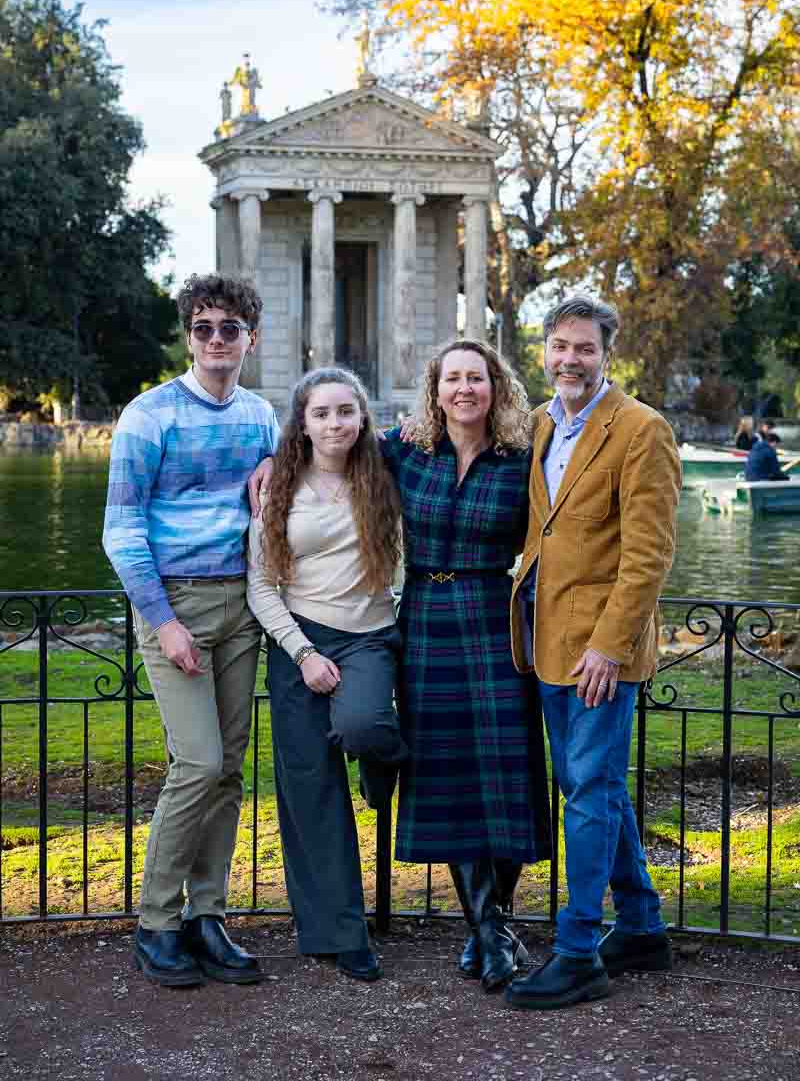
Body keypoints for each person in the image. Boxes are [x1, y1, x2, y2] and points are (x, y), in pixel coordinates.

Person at [504, 294, 681, 1012]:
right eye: (558, 345)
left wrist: (611, 646)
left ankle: (578, 950)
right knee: (596, 786)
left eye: (583, 347)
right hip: (546, 642)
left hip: (600, 654)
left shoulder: (642, 429)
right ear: (543, 351)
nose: (569, 359)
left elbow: (649, 554)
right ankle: (640, 926)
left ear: (607, 354)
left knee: (586, 790)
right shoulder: (543, 424)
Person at [103, 273, 280, 987]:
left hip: (241, 602)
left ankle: (208, 916)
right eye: (203, 328)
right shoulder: (150, 415)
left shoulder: (262, 417)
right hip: (173, 603)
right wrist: (163, 621)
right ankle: (155, 922)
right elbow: (121, 531)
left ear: (249, 339)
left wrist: (274, 470)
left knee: (230, 770)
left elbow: (277, 502)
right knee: (198, 763)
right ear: (188, 336)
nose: (216, 340)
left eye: (229, 329)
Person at [384, 341, 552, 993]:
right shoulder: (403, 450)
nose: (464, 389)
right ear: (435, 388)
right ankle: (490, 931)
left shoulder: (521, 459)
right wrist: (269, 468)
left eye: (475, 378)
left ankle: (490, 926)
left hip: (495, 617)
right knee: (449, 773)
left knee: (503, 773)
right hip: (425, 618)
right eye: (452, 378)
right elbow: (326, 449)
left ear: (494, 386)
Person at [247, 367, 407, 983]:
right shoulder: (280, 487)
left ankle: (384, 762)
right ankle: (337, 931)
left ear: (362, 417)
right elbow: (260, 584)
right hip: (300, 642)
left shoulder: (384, 475)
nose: (335, 423)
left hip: (367, 635)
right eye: (321, 413)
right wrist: (301, 653)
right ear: (303, 423)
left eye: (346, 411)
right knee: (309, 789)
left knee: (366, 726)